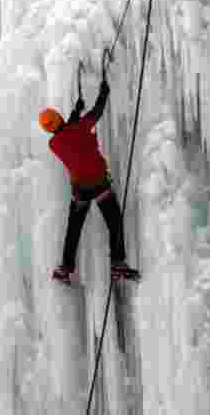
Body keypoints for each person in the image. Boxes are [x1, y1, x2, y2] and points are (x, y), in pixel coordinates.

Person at [39, 75, 139, 283]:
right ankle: (118, 264)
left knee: (73, 230)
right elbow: (96, 113)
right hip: (98, 183)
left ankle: (65, 268)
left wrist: (76, 111)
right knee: (114, 221)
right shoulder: (79, 127)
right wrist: (103, 94)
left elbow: (67, 130)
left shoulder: (54, 144)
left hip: (80, 190)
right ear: (58, 118)